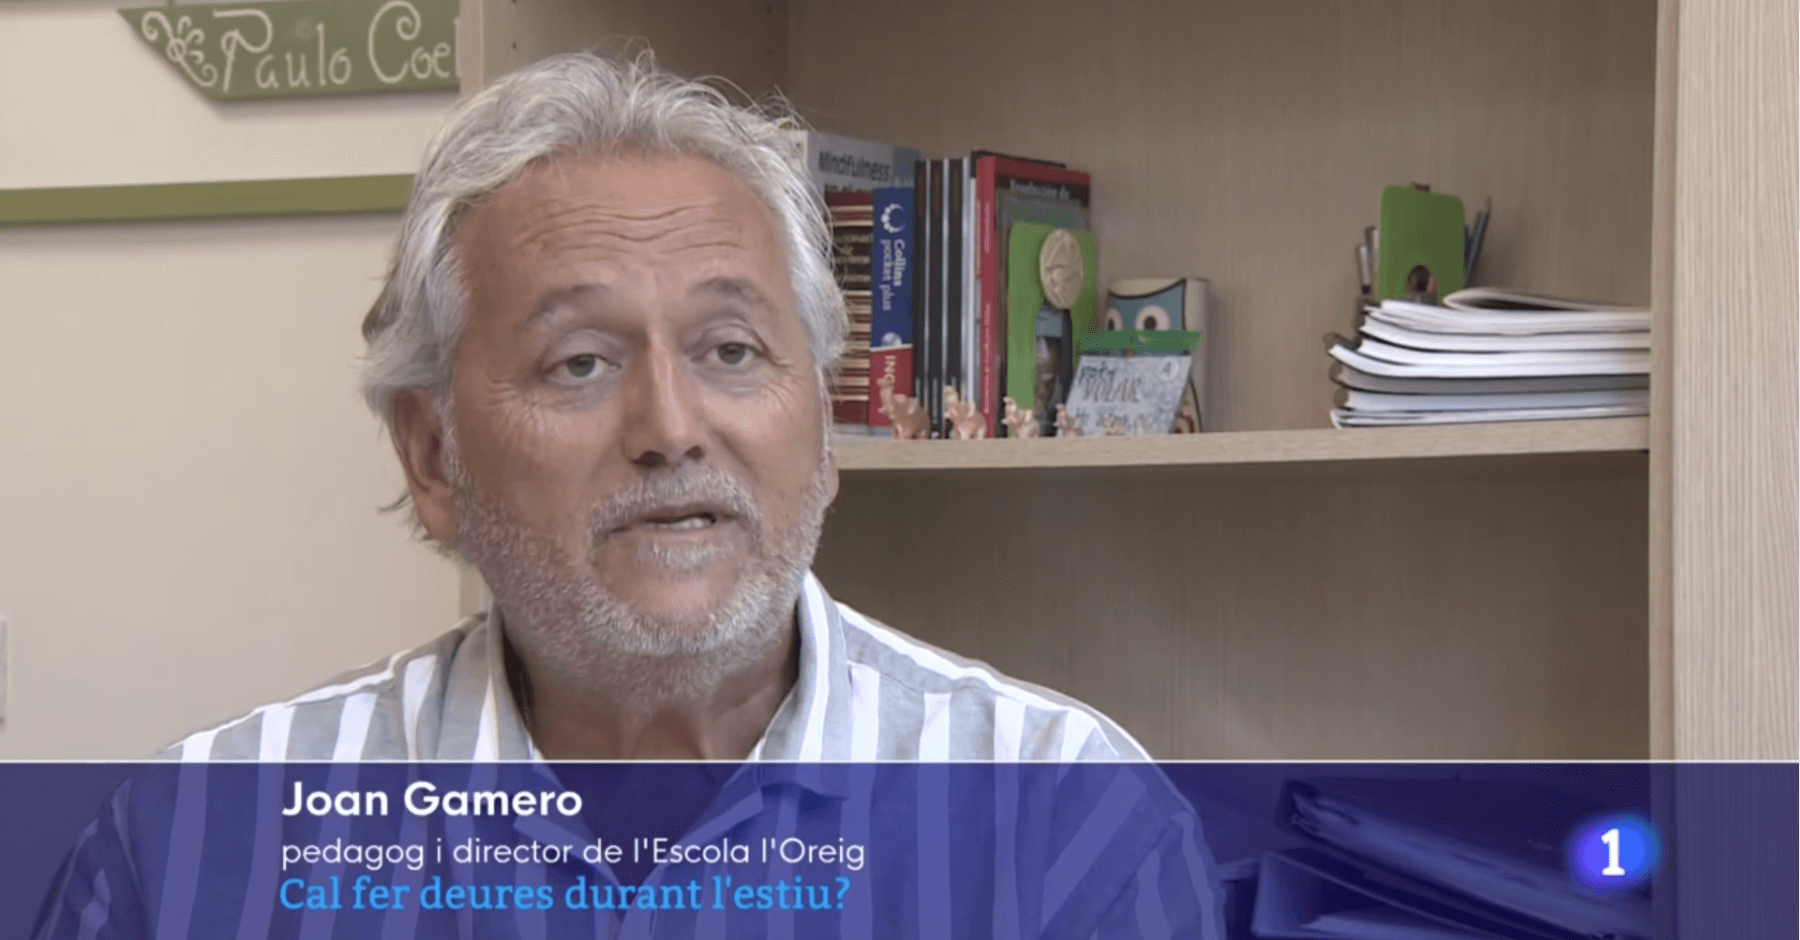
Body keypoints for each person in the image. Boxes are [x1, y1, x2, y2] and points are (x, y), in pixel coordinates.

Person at [32, 53, 1224, 939]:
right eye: (580, 363)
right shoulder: (194, 848)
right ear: (433, 457)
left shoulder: (1064, 823)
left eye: (732, 350)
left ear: (824, 431)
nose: (669, 429)